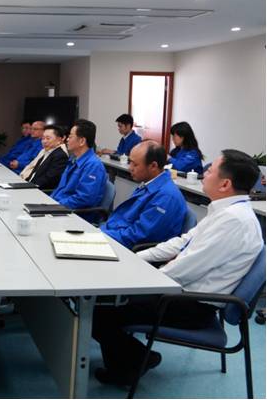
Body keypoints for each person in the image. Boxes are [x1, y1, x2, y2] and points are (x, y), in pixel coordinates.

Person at [92, 149, 263, 386]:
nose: (204, 174)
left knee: (99, 307)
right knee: (105, 299)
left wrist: (138, 279)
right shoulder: (226, 211)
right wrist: (138, 259)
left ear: (225, 184)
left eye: (210, 171)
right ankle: (135, 358)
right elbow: (182, 242)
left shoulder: (234, 221)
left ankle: (134, 363)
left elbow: (187, 268)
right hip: (183, 293)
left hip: (191, 305)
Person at [100, 141, 187, 248]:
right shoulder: (149, 184)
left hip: (128, 248)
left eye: (135, 164)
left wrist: (102, 235)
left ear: (153, 166)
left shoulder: (166, 197)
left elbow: (137, 236)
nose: (130, 168)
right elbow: (126, 220)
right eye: (130, 162)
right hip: (116, 234)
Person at [51, 119, 108, 218]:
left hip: (76, 215)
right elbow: (61, 189)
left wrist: (56, 205)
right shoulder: (73, 159)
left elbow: (84, 199)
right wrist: (50, 202)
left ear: (82, 141)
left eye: (70, 136)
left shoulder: (93, 165)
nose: (67, 139)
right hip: (61, 207)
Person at [19, 124, 69, 190]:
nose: (44, 141)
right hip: (30, 185)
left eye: (48, 138)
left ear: (59, 140)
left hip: (40, 190)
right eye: (43, 138)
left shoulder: (60, 155)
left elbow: (49, 179)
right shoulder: (45, 151)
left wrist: (29, 187)